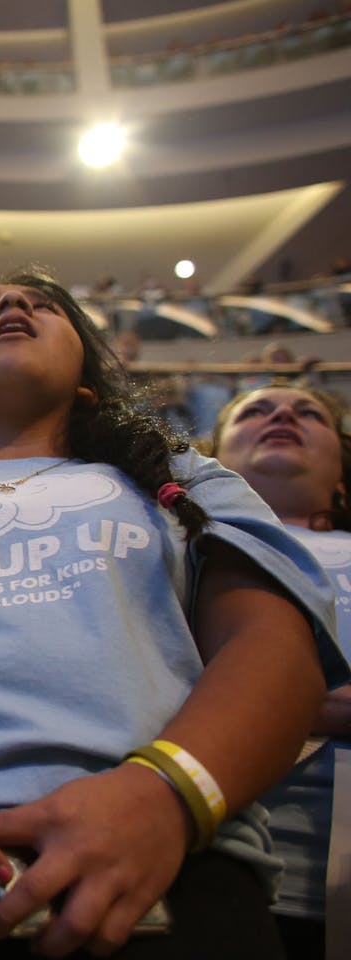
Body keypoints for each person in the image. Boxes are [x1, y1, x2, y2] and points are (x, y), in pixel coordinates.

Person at [0, 271, 345, 959]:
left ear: (84, 386)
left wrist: (163, 794)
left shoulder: (184, 481)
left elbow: (273, 651)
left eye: (45, 305)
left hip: (173, 867)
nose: (13, 305)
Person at [209, 384, 351, 960]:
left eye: (309, 413)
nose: (284, 414)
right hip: (225, 878)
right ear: (212, 463)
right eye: (255, 411)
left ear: (342, 474)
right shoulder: (169, 549)